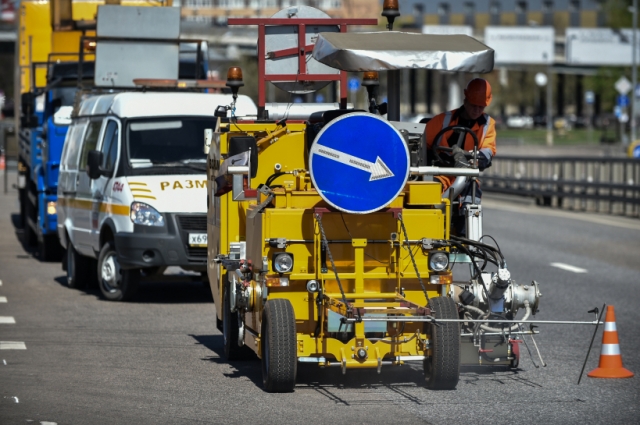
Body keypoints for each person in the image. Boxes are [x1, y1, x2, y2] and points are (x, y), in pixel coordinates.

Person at [424, 78, 497, 236]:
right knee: (425, 193)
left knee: (472, 198)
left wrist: (468, 156)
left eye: (481, 106)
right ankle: (427, 233)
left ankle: (466, 238)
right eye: (473, 105)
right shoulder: (443, 121)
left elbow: (488, 152)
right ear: (465, 99)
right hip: (440, 173)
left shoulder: (487, 125)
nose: (477, 110)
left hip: (467, 177)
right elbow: (423, 142)